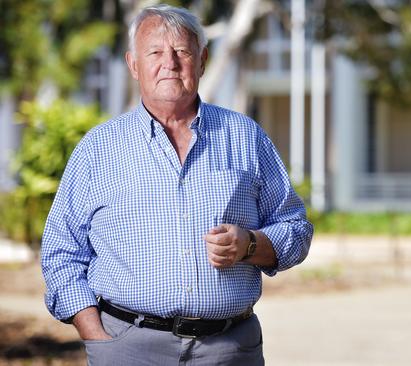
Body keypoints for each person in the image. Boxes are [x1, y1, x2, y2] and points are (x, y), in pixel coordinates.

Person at [40, 4, 312, 365]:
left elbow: (296, 229)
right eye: (154, 51)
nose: (169, 62)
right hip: (128, 349)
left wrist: (250, 245)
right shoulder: (97, 148)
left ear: (201, 61)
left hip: (228, 350)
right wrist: (97, 336)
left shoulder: (246, 137)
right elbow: (61, 250)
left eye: (182, 51)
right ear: (133, 65)